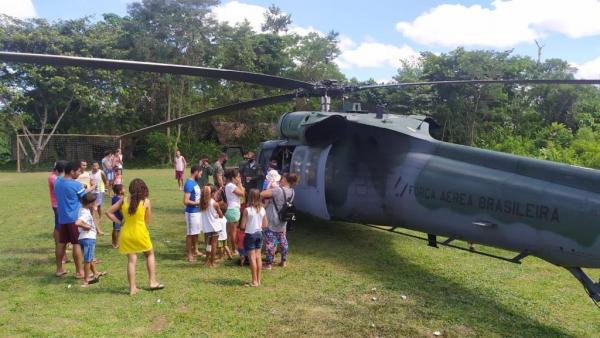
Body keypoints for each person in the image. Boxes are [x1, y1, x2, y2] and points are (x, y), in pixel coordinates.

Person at [107, 178, 164, 295]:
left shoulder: (123, 200)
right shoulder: (146, 201)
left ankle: (132, 288)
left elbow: (108, 212)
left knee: (131, 261)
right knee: (150, 254)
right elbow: (147, 221)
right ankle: (152, 282)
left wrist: (120, 221)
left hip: (127, 233)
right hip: (140, 232)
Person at [55, 160, 96, 278]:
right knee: (76, 244)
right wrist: (91, 188)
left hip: (62, 218)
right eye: (78, 171)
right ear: (72, 172)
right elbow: (85, 198)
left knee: (61, 243)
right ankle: (79, 272)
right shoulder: (76, 185)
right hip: (74, 219)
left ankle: (59, 269)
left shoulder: (58, 182)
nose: (79, 173)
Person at [260, 173, 298, 269]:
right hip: (283, 219)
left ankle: (269, 263)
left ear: (285, 179)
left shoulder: (278, 190)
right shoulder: (292, 191)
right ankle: (283, 261)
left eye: (282, 178)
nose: (281, 179)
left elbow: (262, 194)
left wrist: (270, 185)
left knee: (270, 242)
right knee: (283, 241)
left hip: (273, 218)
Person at [76, 193, 105, 287]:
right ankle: (86, 280)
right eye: (94, 202)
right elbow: (78, 222)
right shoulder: (85, 212)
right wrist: (87, 226)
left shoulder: (83, 209)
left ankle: (95, 273)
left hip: (83, 238)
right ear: (90, 203)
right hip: (88, 238)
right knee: (88, 260)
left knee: (90, 257)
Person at [240, 189, 268, 287]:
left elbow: (243, 226)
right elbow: (265, 224)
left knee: (252, 258)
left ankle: (254, 281)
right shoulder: (262, 209)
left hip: (250, 234)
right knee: (258, 257)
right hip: (259, 233)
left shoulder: (247, 210)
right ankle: (258, 280)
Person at [49, 160, 68, 272]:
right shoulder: (53, 178)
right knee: (58, 229)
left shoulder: (57, 178)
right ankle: (60, 250)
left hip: (60, 205)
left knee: (60, 229)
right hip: (57, 206)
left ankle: (63, 253)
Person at [200, 185, 224, 267]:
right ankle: (212, 262)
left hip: (207, 228)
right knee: (214, 245)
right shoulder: (215, 204)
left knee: (208, 245)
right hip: (215, 227)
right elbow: (221, 216)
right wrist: (218, 214)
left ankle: (206, 261)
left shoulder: (202, 203)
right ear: (212, 193)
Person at [183, 164, 202, 262]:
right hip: (191, 213)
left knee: (196, 232)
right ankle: (189, 254)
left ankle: (196, 250)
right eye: (200, 173)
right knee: (190, 233)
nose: (201, 175)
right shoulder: (189, 183)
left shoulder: (194, 182)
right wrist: (197, 203)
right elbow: (185, 201)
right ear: (196, 172)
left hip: (197, 212)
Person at [224, 168, 245, 254]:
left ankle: (228, 249)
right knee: (233, 232)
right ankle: (234, 249)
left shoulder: (228, 185)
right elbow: (242, 193)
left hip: (231, 210)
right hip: (233, 211)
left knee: (229, 232)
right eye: (238, 177)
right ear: (233, 178)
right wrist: (240, 183)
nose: (239, 178)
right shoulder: (231, 186)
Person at [111, 184, 125, 249]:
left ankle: (115, 242)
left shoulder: (115, 197)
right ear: (120, 191)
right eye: (123, 189)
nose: (124, 190)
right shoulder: (117, 199)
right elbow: (120, 209)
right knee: (116, 230)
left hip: (117, 217)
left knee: (116, 230)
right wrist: (124, 216)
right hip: (117, 217)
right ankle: (115, 243)